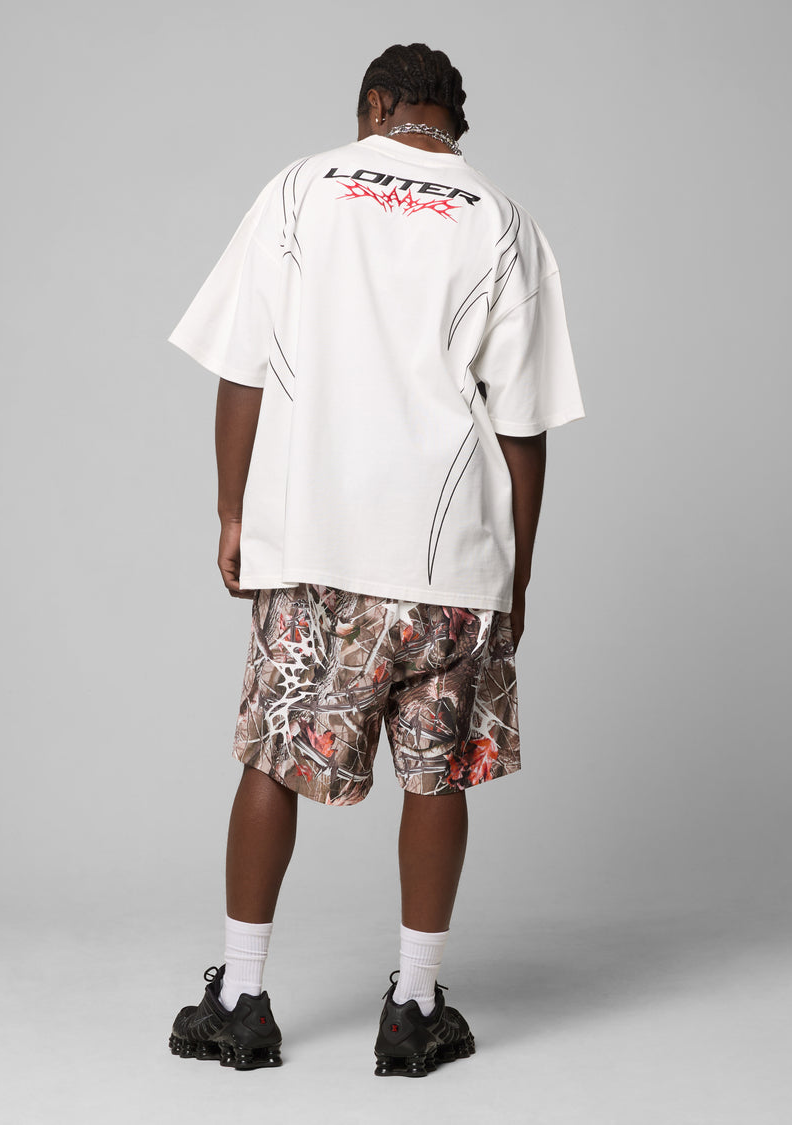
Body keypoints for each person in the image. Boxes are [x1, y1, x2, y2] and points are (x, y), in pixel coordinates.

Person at [165, 42, 585, 1077]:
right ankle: (414, 1008)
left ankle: (243, 1000)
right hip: (452, 563)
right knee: (437, 776)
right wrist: (517, 570)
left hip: (314, 548)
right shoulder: (504, 220)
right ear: (453, 123)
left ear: (376, 105)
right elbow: (524, 426)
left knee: (275, 755)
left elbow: (242, 368)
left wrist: (231, 511)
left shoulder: (301, 188)